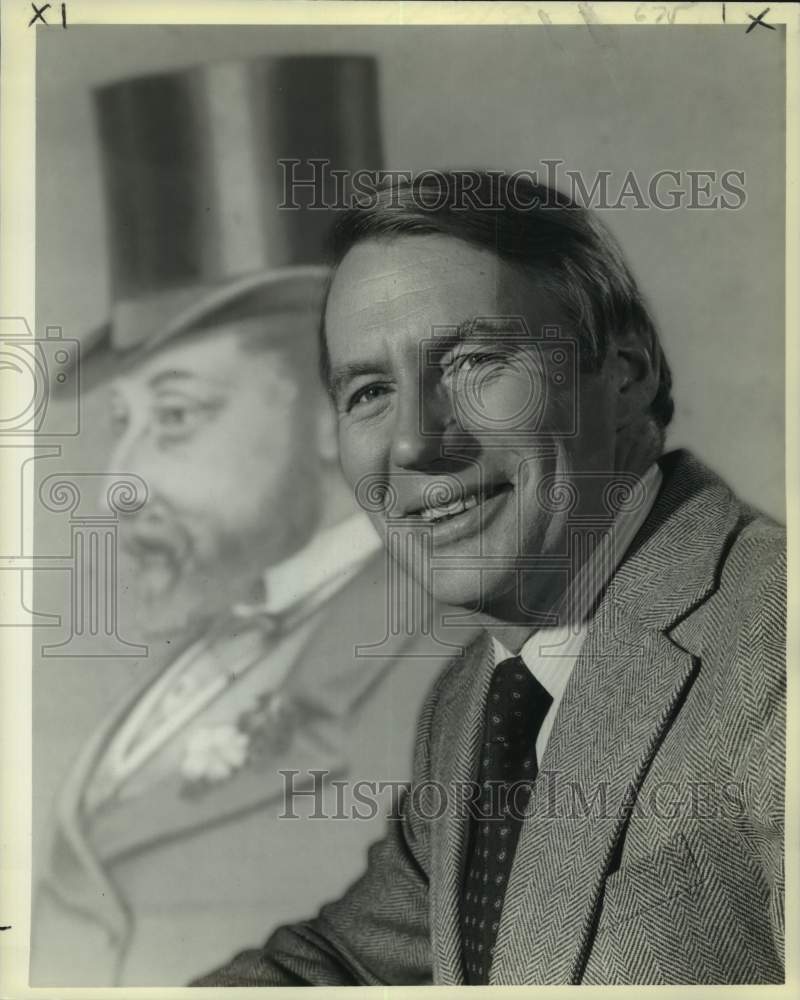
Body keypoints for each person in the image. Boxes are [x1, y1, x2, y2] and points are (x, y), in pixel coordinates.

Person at [193, 171, 785, 986]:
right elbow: (340, 968)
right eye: (369, 391)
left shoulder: (775, 642)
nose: (413, 443)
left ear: (624, 377)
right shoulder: (479, 696)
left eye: (474, 363)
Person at [31, 63, 473, 986]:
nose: (122, 478)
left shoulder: (459, 671)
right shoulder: (215, 634)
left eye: (179, 416)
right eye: (125, 423)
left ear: (333, 410)